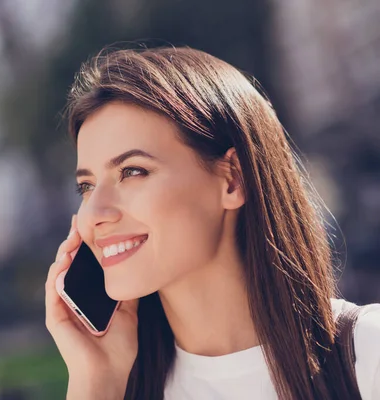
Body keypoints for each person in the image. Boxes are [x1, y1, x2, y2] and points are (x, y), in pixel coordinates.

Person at [44, 46, 380, 400]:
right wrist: (97, 382)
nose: (94, 214)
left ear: (232, 179)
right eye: (87, 186)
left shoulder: (367, 355)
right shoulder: (115, 387)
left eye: (132, 171)